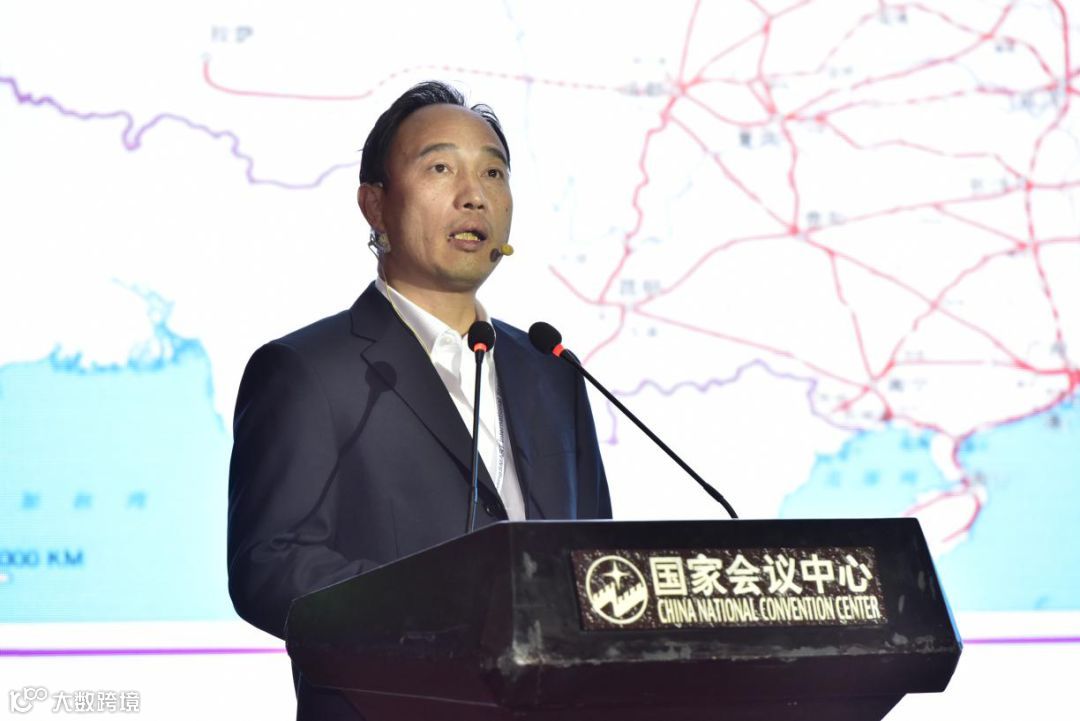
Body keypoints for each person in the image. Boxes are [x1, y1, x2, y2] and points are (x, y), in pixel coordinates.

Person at [226, 81, 612, 720]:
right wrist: (447, 612)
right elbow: (270, 568)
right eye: (440, 169)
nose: (474, 194)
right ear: (375, 205)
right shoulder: (306, 371)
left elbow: (596, 561)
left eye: (493, 172)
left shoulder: (554, 373)